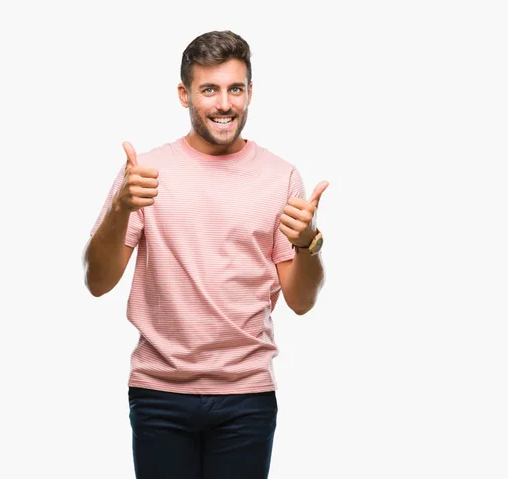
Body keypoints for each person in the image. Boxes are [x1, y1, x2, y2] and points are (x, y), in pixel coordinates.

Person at [82, 30, 328, 479]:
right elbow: (97, 282)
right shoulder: (145, 174)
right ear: (185, 94)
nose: (224, 104)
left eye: (235, 89)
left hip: (246, 397)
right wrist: (120, 208)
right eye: (209, 89)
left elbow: (302, 301)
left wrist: (307, 241)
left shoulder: (281, 176)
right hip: (159, 393)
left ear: (250, 92)